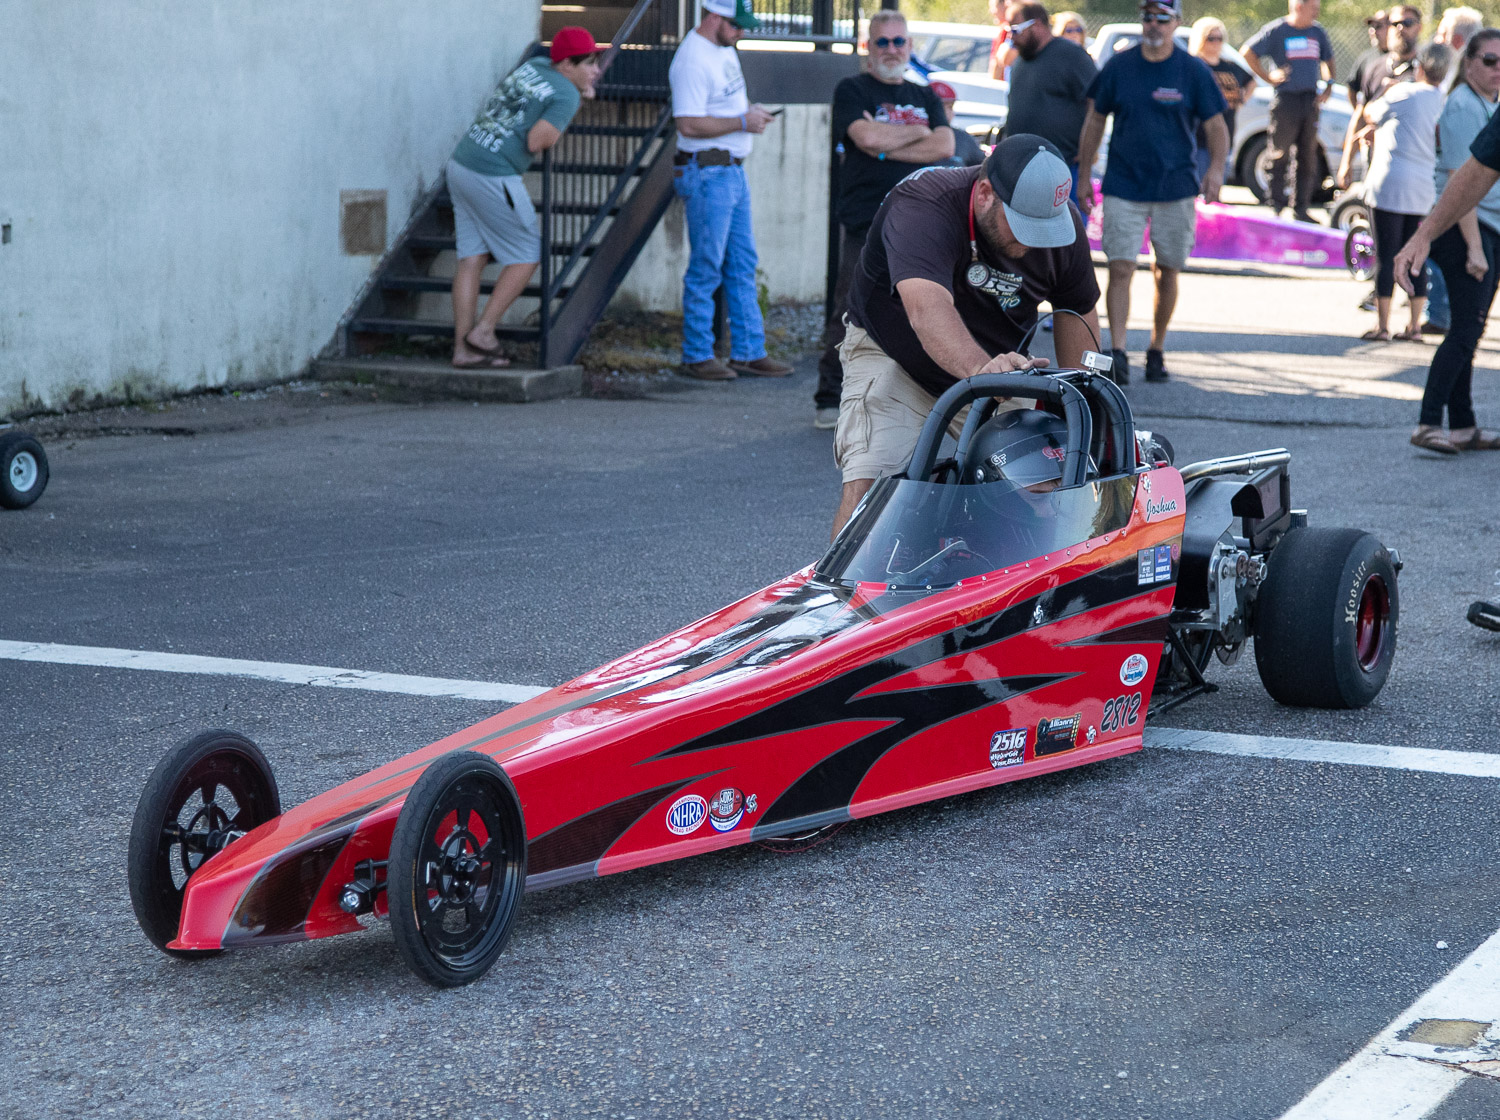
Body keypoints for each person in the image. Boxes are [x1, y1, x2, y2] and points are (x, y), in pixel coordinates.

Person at [829, 136, 1102, 536]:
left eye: (1046, 228)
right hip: (897, 356)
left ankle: (1013, 570)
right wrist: (981, 370)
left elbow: (1077, 311)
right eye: (1024, 225)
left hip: (1000, 371)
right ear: (986, 194)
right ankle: (852, 576)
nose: (1035, 240)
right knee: (873, 491)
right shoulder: (924, 204)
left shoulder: (1062, 226)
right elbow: (927, 309)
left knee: (1046, 483)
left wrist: (1088, 407)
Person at [815, 11, 954, 429]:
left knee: (923, 310)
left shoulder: (924, 94)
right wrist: (916, 133)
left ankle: (912, 400)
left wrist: (885, 146)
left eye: (898, 42)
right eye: (882, 42)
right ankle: (829, 397)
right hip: (867, 219)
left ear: (909, 46)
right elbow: (866, 137)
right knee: (851, 310)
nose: (891, 50)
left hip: (920, 222)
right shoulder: (852, 89)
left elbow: (944, 145)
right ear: (868, 47)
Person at [1076, 0, 1228, 385]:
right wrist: (1084, 173)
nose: (1154, 25)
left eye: (1162, 18)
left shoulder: (1192, 70)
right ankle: (1118, 352)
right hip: (1124, 183)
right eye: (1148, 17)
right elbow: (1095, 120)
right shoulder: (1120, 66)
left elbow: (1216, 126)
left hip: (1176, 186)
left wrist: (1215, 171)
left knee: (1168, 269)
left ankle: (1156, 349)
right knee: (1120, 266)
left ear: (1177, 23)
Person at [448, 28, 602, 370]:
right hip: (493, 175)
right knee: (527, 255)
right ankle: (483, 332)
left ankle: (462, 350)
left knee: (471, 260)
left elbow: (539, 97)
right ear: (567, 65)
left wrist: (579, 88)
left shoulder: (535, 65)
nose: (597, 70)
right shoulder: (566, 94)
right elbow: (536, 141)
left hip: (462, 164)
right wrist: (575, 100)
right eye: (590, 63)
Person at [668, 0, 793, 381]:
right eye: (736, 25)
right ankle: (696, 354)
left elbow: (723, 104)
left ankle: (748, 351)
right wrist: (742, 121)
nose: (741, 32)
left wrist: (748, 113)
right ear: (714, 16)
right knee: (707, 266)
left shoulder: (722, 49)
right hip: (707, 170)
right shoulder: (692, 59)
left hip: (729, 169)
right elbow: (688, 124)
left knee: (741, 263)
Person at [1395, 29, 1500, 453]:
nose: (1497, 69)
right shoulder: (1462, 105)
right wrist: (1474, 248)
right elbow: (1464, 178)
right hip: (1465, 229)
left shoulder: (1487, 103)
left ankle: (1462, 425)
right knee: (1464, 330)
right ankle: (1427, 422)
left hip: (1487, 227)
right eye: (1489, 60)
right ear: (1468, 62)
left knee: (1469, 330)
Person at [1360, 42, 1450, 341]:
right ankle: (1414, 325)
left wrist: (1386, 90)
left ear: (1420, 67)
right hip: (1422, 188)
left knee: (1386, 255)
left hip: (1390, 184)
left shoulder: (1403, 92)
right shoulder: (1444, 99)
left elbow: (1371, 113)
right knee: (1417, 256)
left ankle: (1383, 325)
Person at [1243, 0, 1336, 222]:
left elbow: (1328, 60)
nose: (1317, 13)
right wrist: (1268, 77)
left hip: (1310, 100)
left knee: (1307, 155)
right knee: (1279, 152)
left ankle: (1300, 208)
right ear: (1299, 6)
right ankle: (1275, 205)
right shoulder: (1278, 30)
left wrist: (1329, 83)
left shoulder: (1317, 32)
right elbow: (1247, 52)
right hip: (1286, 100)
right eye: (1314, 8)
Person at [1002, 1, 1098, 200]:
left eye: (1016, 30)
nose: (1011, 37)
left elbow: (1097, 102)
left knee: (1067, 219)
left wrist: (1088, 151)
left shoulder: (1071, 55)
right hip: (1024, 166)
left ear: (1036, 25)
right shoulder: (1022, 59)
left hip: (1062, 165)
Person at [1339, 6, 1422, 191]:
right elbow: (1360, 115)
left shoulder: (1424, 70)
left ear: (1419, 27)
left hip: (1411, 168)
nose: (1400, 28)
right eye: (1395, 23)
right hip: (1376, 163)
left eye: (1407, 23)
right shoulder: (1375, 67)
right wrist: (1346, 162)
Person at [1190, 17, 1255, 181]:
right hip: (1199, 139)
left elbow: (1251, 81)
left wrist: (1242, 100)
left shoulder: (1230, 66)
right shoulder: (1194, 65)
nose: (1216, 43)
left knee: (1216, 186)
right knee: (1197, 185)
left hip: (1226, 136)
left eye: (1219, 38)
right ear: (1201, 39)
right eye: (1211, 38)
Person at [929, 81, 986, 166]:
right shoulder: (914, 135)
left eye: (950, 107)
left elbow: (982, 168)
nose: (949, 112)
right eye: (941, 107)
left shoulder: (963, 138)